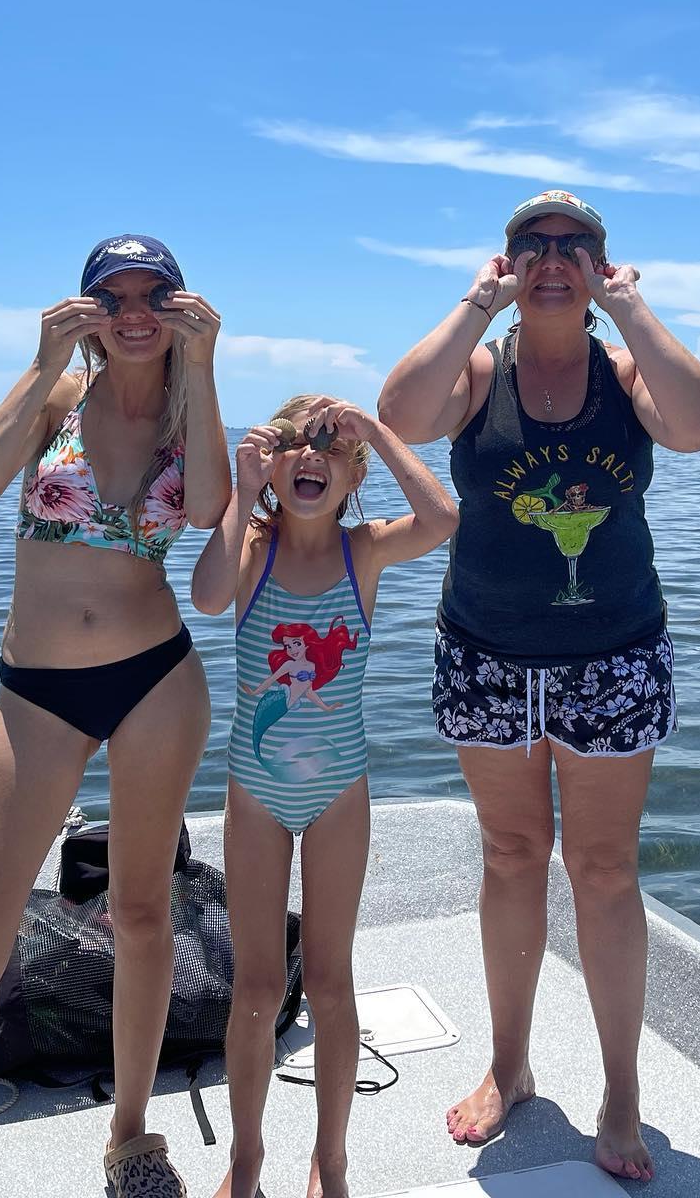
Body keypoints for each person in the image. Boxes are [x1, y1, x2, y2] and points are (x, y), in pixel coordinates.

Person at [377, 190, 700, 1184]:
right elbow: (397, 416)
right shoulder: (479, 370)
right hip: (485, 649)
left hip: (613, 651)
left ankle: (621, 1090)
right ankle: (509, 1065)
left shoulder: (626, 371)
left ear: (603, 267)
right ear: (507, 264)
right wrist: (473, 307)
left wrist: (633, 312)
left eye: (575, 245)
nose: (553, 256)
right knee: (511, 852)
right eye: (533, 243)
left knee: (605, 869)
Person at [0, 235, 229, 1198]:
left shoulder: (191, 412)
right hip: (36, 694)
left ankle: (132, 1138)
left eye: (155, 296)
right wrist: (46, 360)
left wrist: (206, 369)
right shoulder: (55, 397)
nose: (135, 314)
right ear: (84, 309)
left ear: (180, 307)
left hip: (155, 683)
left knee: (143, 913)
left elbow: (214, 509)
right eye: (113, 297)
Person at [191, 395, 457, 1198]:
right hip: (254, 794)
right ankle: (246, 1159)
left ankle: (331, 1160)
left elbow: (442, 517)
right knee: (258, 987)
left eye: (329, 448)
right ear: (274, 467)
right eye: (294, 446)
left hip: (341, 793)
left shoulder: (364, 552)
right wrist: (239, 490)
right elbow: (206, 598)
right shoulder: (254, 548)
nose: (311, 458)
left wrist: (374, 428)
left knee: (334, 982)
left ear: (352, 474)